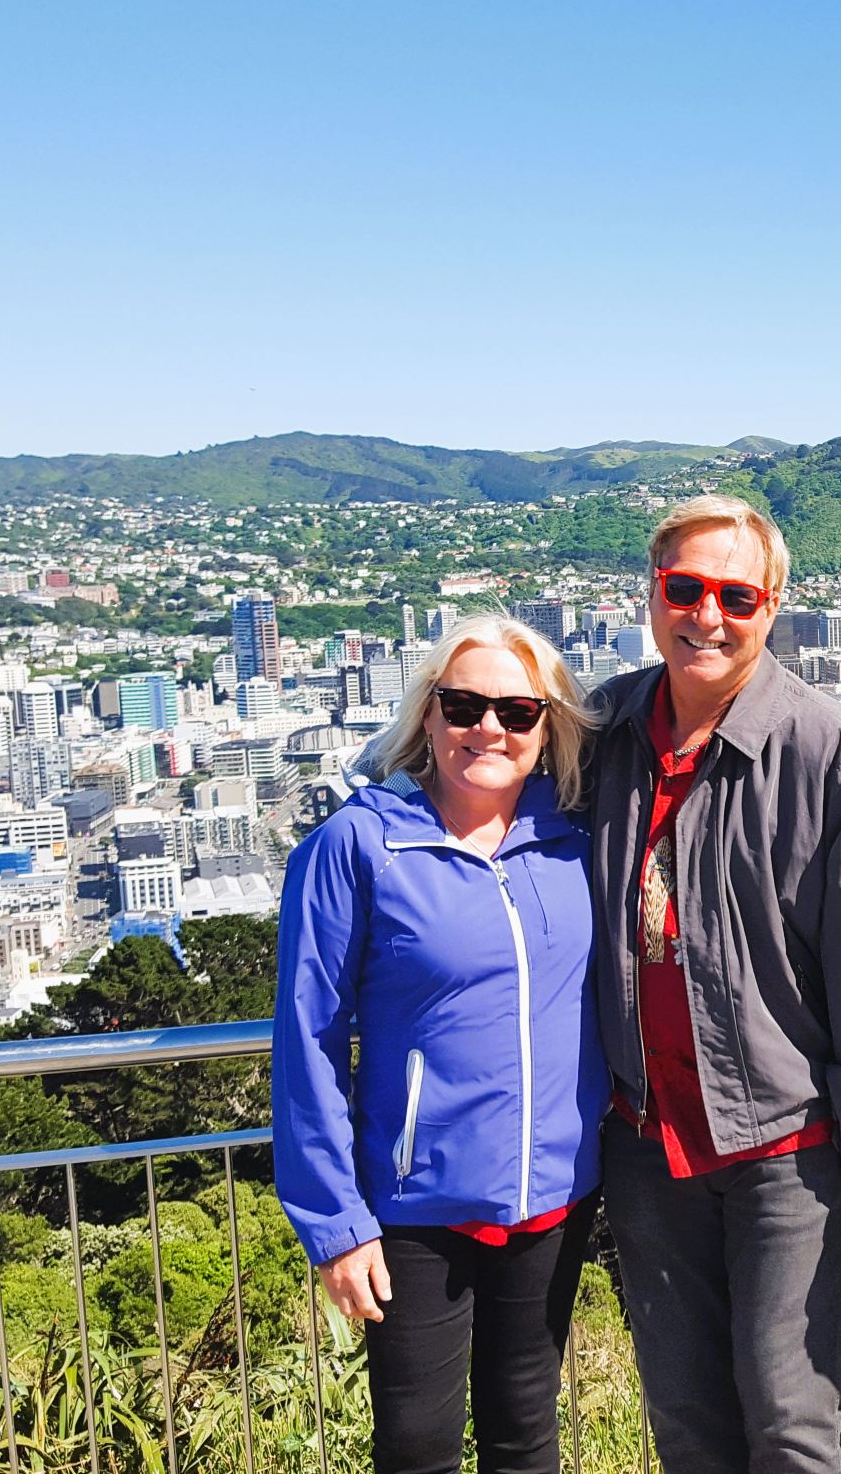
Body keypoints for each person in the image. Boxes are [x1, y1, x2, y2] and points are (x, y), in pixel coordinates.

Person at [590, 494, 841, 1474]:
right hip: (646, 1143)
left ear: (772, 606)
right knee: (686, 1422)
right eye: (684, 589)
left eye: (735, 595)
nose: (707, 615)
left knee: (788, 1424)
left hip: (789, 1145)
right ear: (651, 597)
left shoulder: (827, 750)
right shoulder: (601, 731)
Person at [273, 613, 608, 1474]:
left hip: (553, 1195)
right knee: (417, 1445)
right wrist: (336, 1224)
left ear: (548, 728)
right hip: (415, 1207)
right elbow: (308, 1037)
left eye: (517, 713)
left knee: (527, 1433)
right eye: (463, 706)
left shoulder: (576, 841)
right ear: (428, 715)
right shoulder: (359, 844)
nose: (487, 729)